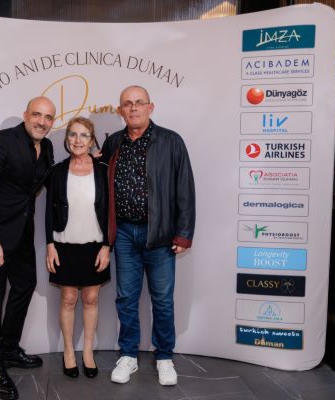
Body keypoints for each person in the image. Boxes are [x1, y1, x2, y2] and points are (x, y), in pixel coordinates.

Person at [100, 85, 195, 386]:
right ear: (120, 110)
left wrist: (183, 234)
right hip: (124, 234)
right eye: (127, 103)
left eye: (139, 102)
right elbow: (100, 188)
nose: (133, 108)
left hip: (161, 234)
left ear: (150, 107)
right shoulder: (113, 142)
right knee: (126, 298)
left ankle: (164, 356)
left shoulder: (171, 141)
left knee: (163, 300)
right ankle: (128, 354)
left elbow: (185, 188)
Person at [0, 96, 55, 400]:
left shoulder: (47, 147)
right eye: (37, 115)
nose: (42, 122)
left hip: (22, 234)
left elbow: (48, 181)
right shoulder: (1, 141)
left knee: (25, 285)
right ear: (26, 115)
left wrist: (89, 162)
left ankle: (9, 348)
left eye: (48, 117)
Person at [45, 117, 110, 379]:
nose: (77, 140)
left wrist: (107, 246)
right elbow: (49, 211)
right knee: (68, 299)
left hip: (95, 245)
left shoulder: (103, 170)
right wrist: (50, 244)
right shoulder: (57, 171)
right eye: (73, 134)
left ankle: (88, 352)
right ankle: (69, 351)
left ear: (92, 140)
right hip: (64, 245)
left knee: (91, 299)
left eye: (84, 135)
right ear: (66, 139)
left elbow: (110, 211)